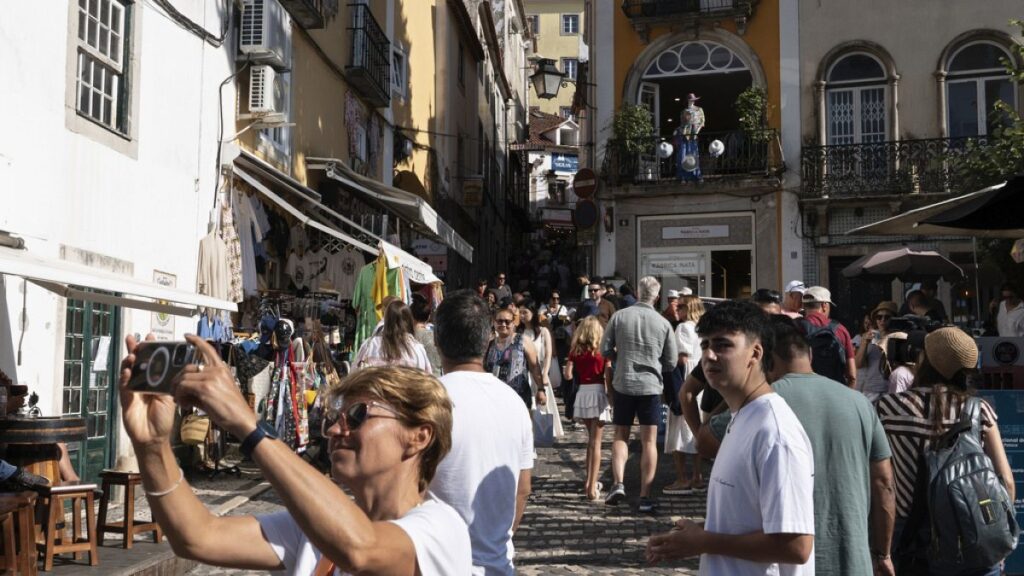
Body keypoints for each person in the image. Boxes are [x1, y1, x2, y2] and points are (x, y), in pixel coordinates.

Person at [120, 336, 471, 575]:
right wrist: (151, 446)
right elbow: (196, 535)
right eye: (335, 418)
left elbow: (360, 549)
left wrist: (247, 423)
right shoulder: (315, 527)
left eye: (359, 415)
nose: (335, 430)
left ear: (419, 436)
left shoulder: (441, 529)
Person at [694, 315, 896, 576]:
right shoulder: (859, 403)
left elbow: (704, 442)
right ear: (809, 354)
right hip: (852, 560)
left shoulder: (763, 405)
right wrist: (883, 553)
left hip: (787, 560)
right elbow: (884, 483)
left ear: (764, 358)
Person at [646, 301, 815, 574]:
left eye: (723, 345)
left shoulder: (775, 433)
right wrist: (693, 536)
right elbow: (748, 522)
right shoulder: (741, 418)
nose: (709, 355)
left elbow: (796, 546)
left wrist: (704, 541)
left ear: (755, 353)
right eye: (704, 345)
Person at [876, 327, 1014, 574]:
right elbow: (1005, 481)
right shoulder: (978, 410)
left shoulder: (887, 409)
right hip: (972, 530)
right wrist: (998, 536)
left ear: (924, 360)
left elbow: (882, 481)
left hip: (912, 538)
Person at [429, 292, 534, 575]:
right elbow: (522, 489)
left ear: (437, 341)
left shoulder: (427, 401)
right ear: (487, 337)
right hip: (497, 563)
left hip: (438, 564)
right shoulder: (515, 403)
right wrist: (498, 541)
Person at [601, 276, 678, 512]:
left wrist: (620, 359)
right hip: (651, 386)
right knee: (649, 442)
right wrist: (656, 366)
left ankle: (618, 483)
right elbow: (671, 361)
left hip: (624, 383)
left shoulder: (620, 316)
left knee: (621, 435)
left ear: (636, 291)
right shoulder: (663, 323)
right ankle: (645, 496)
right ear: (657, 295)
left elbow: (604, 349)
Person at [563, 317, 612, 501]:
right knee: (596, 442)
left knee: (590, 442)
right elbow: (607, 375)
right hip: (598, 391)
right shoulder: (603, 351)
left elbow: (567, 375)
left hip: (583, 392)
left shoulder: (575, 350)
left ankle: (588, 481)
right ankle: (592, 487)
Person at [664, 294, 705, 495]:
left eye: (680, 306)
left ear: (688, 308)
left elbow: (681, 358)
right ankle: (698, 476)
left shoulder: (683, 328)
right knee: (698, 428)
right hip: (703, 380)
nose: (676, 310)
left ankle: (682, 478)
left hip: (686, 378)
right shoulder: (704, 328)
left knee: (679, 430)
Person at [485, 308, 547, 410]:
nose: (503, 324)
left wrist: (541, 389)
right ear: (494, 322)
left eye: (507, 321)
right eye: (499, 321)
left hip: (519, 397)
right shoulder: (489, 344)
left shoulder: (523, 341)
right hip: (494, 397)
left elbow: (535, 367)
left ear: (513, 323)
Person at [353, 299, 433, 372]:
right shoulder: (417, 349)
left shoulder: (369, 345)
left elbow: (353, 373)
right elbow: (428, 379)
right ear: (409, 320)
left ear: (386, 320)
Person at [801, 286, 857, 388]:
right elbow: (852, 375)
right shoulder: (840, 330)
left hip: (804, 391)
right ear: (824, 305)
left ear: (804, 306)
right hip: (836, 390)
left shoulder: (794, 328)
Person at [519, 305, 563, 437]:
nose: (521, 315)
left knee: (541, 405)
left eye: (525, 312)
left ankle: (542, 435)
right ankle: (528, 435)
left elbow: (548, 354)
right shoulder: (518, 333)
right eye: (519, 312)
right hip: (523, 373)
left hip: (539, 373)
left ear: (532, 312)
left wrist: (544, 374)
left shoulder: (543, 331)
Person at [855, 301, 898, 402]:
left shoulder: (898, 337)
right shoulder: (870, 336)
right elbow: (858, 364)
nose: (882, 320)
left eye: (887, 317)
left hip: (890, 388)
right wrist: (864, 343)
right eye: (879, 317)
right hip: (870, 389)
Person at [411, 294, 443, 377]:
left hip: (413, 381)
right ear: (428, 317)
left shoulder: (406, 337)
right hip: (436, 380)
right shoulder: (436, 336)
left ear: (411, 316)